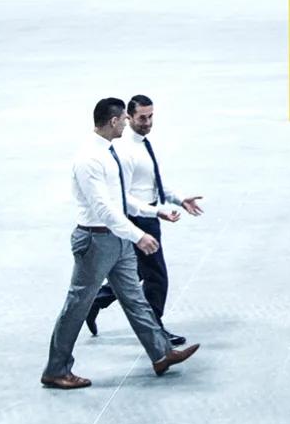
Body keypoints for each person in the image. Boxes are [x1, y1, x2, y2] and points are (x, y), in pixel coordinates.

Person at [42, 98, 199, 390]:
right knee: (77, 304)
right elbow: (103, 208)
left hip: (116, 237)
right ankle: (56, 370)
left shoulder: (108, 152)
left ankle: (161, 354)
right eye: (125, 120)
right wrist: (137, 234)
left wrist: (155, 211)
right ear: (114, 121)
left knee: (135, 299)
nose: (128, 124)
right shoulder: (90, 159)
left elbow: (122, 200)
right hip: (96, 240)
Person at [86, 94, 204, 344]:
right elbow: (123, 197)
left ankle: (94, 301)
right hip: (139, 219)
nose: (148, 122)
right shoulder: (126, 151)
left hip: (150, 215)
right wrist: (156, 212)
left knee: (137, 271)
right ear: (127, 117)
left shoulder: (144, 144)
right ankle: (156, 329)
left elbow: (153, 183)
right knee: (156, 277)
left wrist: (180, 199)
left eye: (151, 117)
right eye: (142, 118)